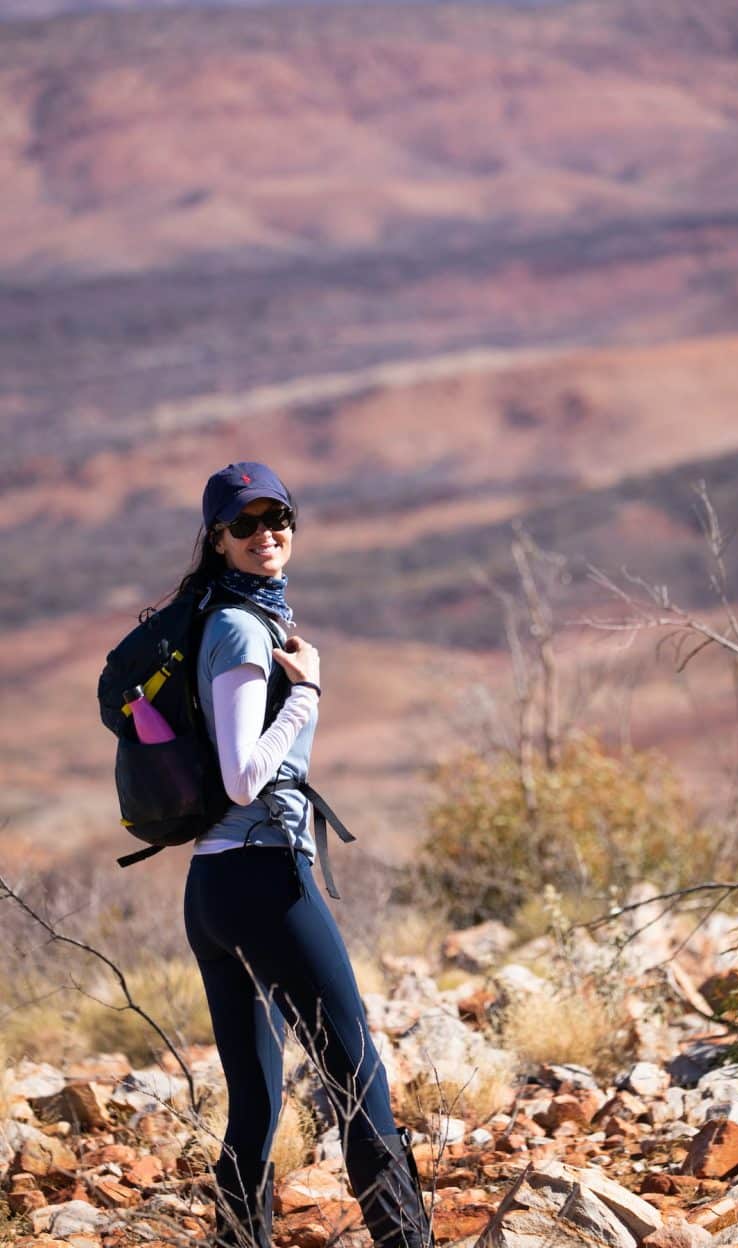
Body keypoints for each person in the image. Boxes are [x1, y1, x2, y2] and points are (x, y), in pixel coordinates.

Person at [180, 462, 433, 1248]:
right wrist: (309, 695)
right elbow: (243, 774)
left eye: (277, 516)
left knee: (256, 1102)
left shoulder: (238, 617)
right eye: (245, 524)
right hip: (261, 880)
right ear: (217, 540)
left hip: (216, 889)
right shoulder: (238, 630)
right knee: (358, 1076)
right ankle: (406, 1239)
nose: (266, 534)